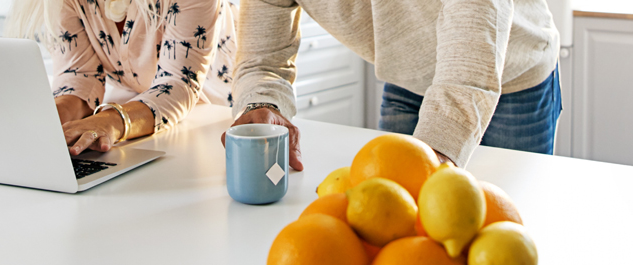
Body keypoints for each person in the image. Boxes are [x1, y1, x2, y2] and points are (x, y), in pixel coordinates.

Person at [227, 0, 560, 170]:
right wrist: (261, 103)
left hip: (512, 74)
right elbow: (262, 59)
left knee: (505, 229)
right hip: (407, 76)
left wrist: (438, 145)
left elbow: (475, 15)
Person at [6, 0, 238, 155]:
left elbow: (177, 82)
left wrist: (111, 120)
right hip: (145, 110)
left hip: (219, 114)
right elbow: (78, 76)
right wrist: (52, 119)